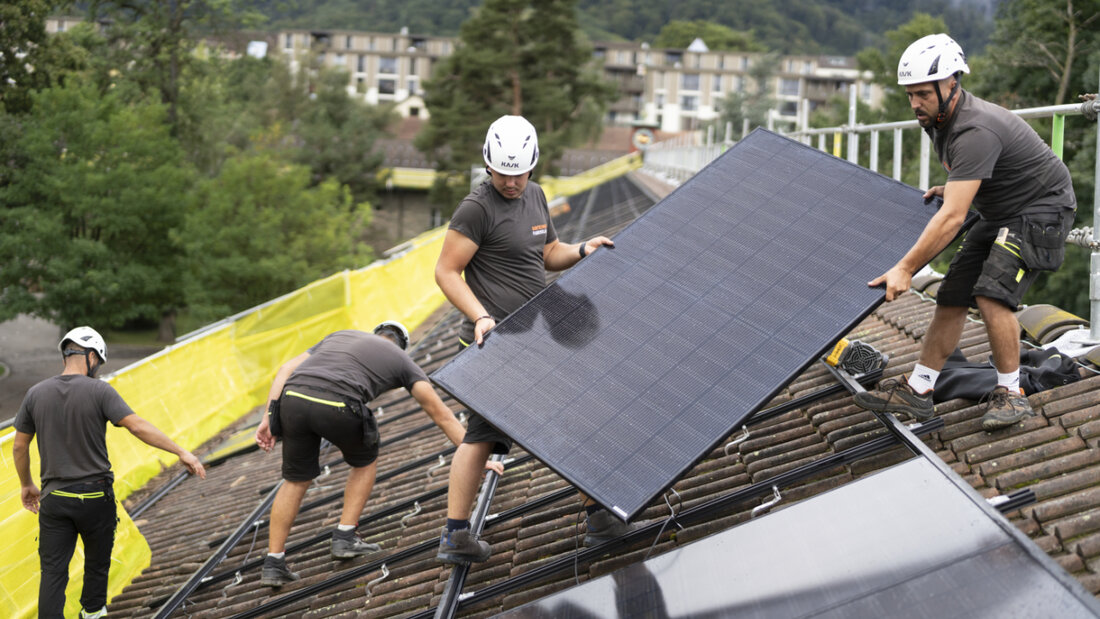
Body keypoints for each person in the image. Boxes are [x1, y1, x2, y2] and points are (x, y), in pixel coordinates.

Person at [433, 114, 629, 564]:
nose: (511, 181)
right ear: (488, 164)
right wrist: (480, 316)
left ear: (532, 164)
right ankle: (459, 535)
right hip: (491, 341)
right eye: (503, 172)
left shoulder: (536, 196)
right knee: (486, 435)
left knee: (563, 416)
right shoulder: (476, 208)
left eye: (519, 172)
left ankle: (594, 516)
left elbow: (546, 255)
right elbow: (446, 270)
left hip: (533, 336)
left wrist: (583, 250)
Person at [856, 34, 1076, 431]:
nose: (914, 104)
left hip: (1040, 210)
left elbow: (953, 218)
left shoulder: (975, 128)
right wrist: (958, 184)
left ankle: (1011, 394)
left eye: (922, 94)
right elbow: (969, 180)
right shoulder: (939, 117)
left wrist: (906, 267)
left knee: (992, 294)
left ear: (951, 83)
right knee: (953, 294)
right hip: (999, 209)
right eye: (909, 95)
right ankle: (919, 390)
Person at [253, 321, 501, 586]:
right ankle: (345, 537)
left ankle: (273, 562)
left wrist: (269, 416)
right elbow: (441, 415)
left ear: (376, 334)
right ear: (403, 346)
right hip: (339, 401)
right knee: (364, 461)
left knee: (295, 479)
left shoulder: (340, 334)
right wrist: (478, 459)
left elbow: (285, 369)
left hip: (293, 400)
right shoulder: (403, 361)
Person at [12, 326, 207, 619]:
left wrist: (26, 484)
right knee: (97, 563)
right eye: (98, 363)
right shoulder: (99, 390)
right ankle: (92, 613)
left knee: (53, 572)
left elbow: (19, 447)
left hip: (55, 497)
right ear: (91, 356)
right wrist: (181, 452)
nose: (97, 369)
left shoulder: (35, 394)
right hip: (95, 495)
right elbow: (137, 425)